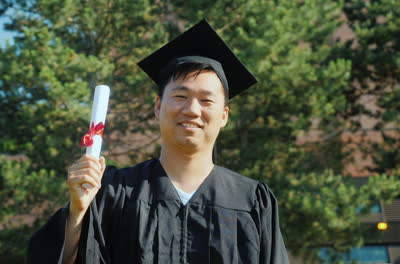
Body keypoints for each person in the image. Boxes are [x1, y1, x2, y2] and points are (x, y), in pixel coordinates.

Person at [28, 20, 288, 264]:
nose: (192, 110)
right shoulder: (113, 191)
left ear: (223, 116)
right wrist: (78, 212)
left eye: (206, 100)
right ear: (158, 106)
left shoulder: (253, 201)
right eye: (180, 96)